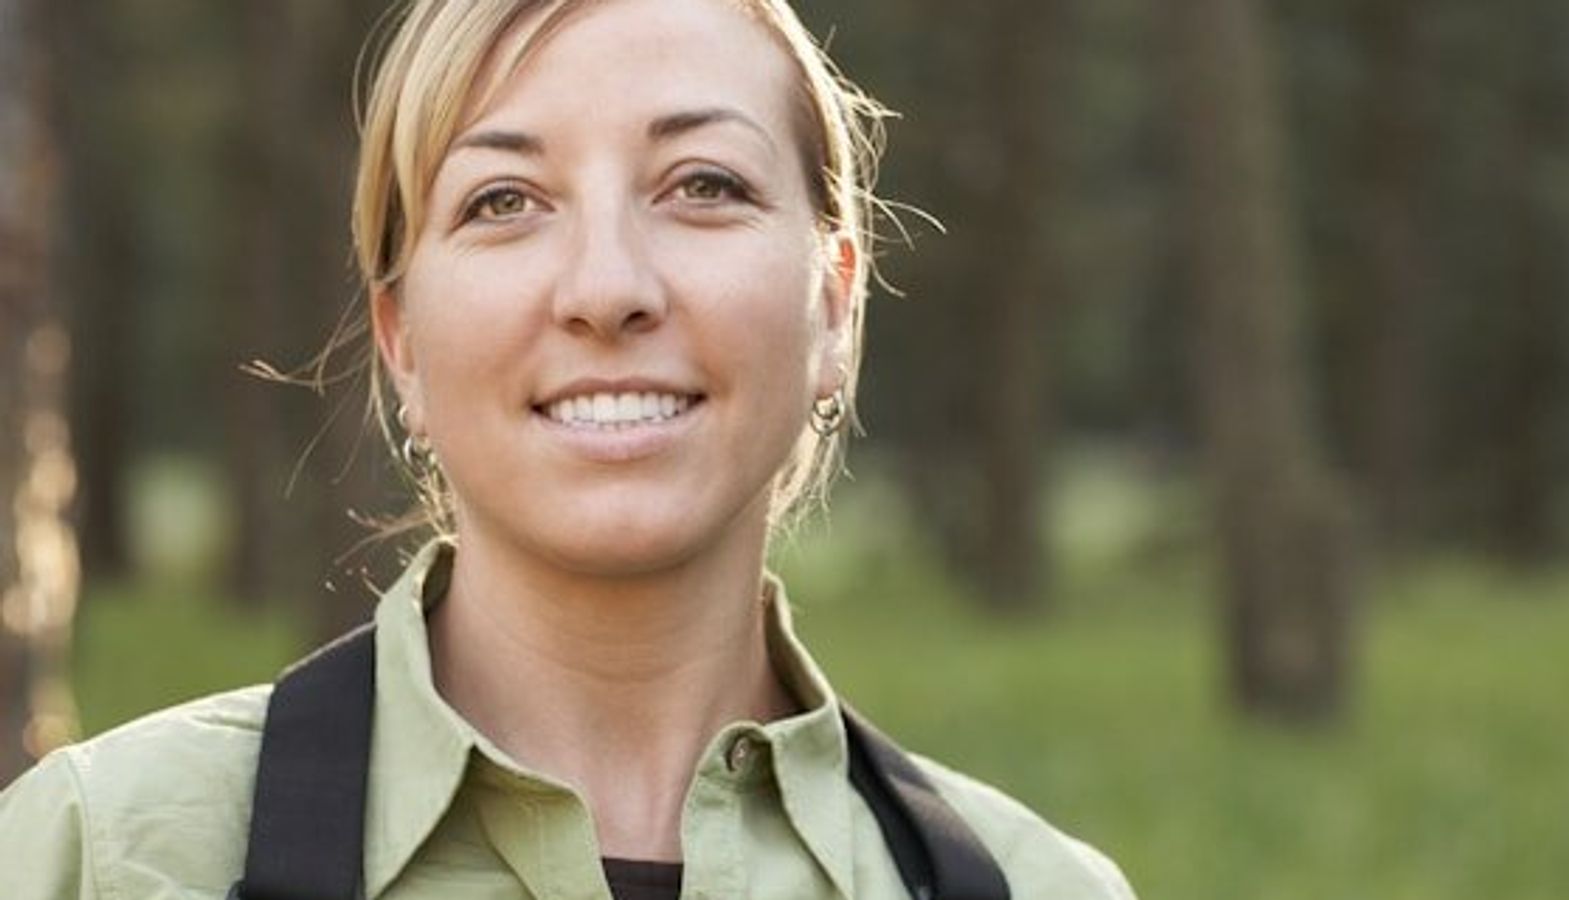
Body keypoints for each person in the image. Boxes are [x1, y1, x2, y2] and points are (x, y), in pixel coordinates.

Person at [0, 1, 1136, 897]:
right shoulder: (102, 856)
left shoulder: (1037, 888)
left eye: (703, 186)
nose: (606, 290)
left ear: (833, 306)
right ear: (401, 342)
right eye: (505, 200)